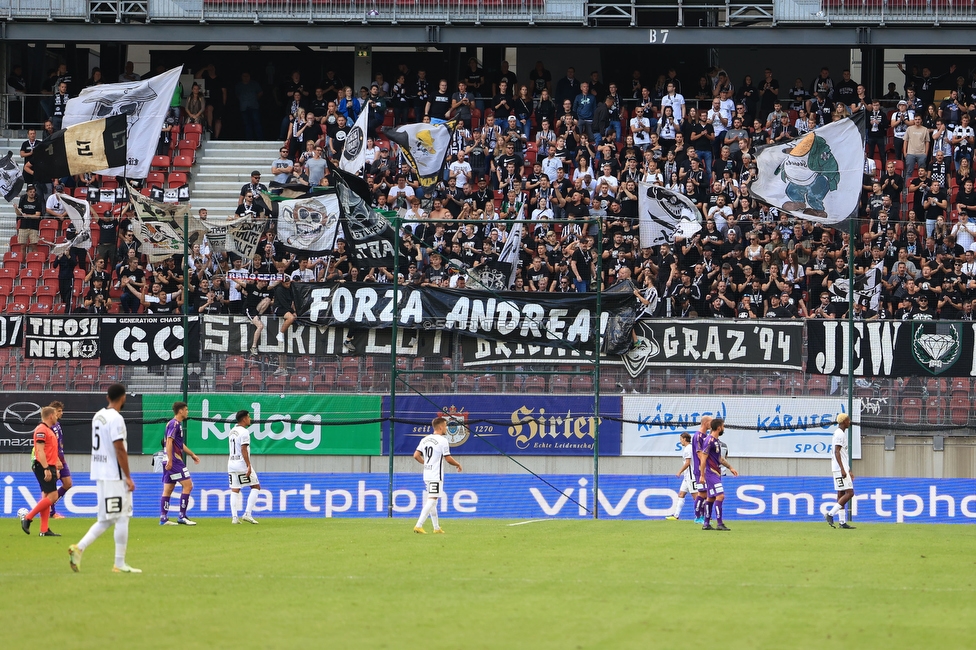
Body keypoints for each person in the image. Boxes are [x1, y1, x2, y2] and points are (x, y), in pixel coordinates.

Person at [68, 383, 139, 573]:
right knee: (123, 516)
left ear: (108, 397)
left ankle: (79, 548)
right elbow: (119, 448)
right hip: (114, 476)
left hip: (100, 473)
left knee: (106, 519)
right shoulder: (116, 419)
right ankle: (119, 563)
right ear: (123, 398)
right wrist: (128, 477)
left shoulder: (98, 416)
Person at [412, 416, 462, 534]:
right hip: (435, 474)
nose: (446, 428)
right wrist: (458, 464)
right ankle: (418, 525)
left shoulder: (425, 439)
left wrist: (425, 463)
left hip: (427, 474)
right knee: (432, 499)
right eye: (445, 426)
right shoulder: (442, 440)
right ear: (440, 427)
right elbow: (448, 458)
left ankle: (436, 528)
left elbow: (416, 455)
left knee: (433, 501)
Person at [19, 406, 63, 536]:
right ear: (50, 416)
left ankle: (44, 530)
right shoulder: (41, 429)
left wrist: (55, 466)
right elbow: (39, 450)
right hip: (42, 466)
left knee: (46, 496)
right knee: (53, 496)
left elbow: (50, 451)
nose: (57, 417)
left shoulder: (48, 430)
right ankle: (28, 518)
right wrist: (46, 469)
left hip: (49, 466)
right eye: (55, 414)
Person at [159, 401, 200, 526]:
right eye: (186, 410)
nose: (188, 412)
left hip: (169, 459)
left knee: (168, 488)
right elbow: (169, 442)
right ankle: (182, 516)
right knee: (188, 485)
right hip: (174, 460)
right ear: (180, 411)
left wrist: (192, 454)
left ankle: (163, 518)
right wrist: (171, 460)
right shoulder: (174, 423)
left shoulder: (176, 424)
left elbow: (179, 444)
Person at [698, 417, 738, 531]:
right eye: (723, 426)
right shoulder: (709, 440)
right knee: (720, 496)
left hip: (715, 473)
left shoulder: (715, 442)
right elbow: (703, 458)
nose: (724, 428)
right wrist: (702, 475)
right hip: (711, 473)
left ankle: (706, 523)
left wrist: (730, 467)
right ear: (719, 427)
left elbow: (719, 458)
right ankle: (719, 523)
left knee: (710, 498)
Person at [228, 409, 262, 525]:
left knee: (235, 489)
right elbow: (243, 449)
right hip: (241, 464)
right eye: (249, 417)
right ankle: (247, 513)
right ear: (244, 419)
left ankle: (234, 517)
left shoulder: (232, 431)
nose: (250, 419)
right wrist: (248, 465)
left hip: (231, 464)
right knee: (256, 486)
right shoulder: (244, 432)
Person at [824, 413, 856, 529]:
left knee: (841, 493)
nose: (849, 422)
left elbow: (842, 454)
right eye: (848, 420)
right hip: (839, 468)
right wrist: (843, 469)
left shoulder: (839, 433)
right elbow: (837, 452)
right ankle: (830, 513)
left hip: (839, 468)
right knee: (850, 493)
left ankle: (842, 522)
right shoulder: (839, 434)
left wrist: (848, 469)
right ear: (843, 422)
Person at [46, 401, 71, 519]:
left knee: (68, 483)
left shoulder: (57, 425)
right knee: (51, 488)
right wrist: (56, 460)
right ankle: (51, 512)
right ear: (53, 412)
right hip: (54, 460)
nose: (61, 413)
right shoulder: (49, 427)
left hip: (61, 458)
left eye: (61, 410)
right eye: (59, 411)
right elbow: (50, 446)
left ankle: (50, 505)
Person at [665, 432, 694, 521]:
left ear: (685, 439)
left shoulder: (688, 448)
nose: (680, 441)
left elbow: (688, 463)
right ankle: (676, 515)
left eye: (681, 439)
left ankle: (704, 515)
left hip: (691, 476)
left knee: (697, 497)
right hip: (687, 477)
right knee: (681, 494)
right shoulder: (690, 447)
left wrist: (679, 472)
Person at [690, 415, 712, 524]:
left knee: (706, 494)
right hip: (700, 470)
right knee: (702, 493)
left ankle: (702, 516)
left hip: (705, 469)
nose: (712, 425)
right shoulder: (698, 436)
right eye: (710, 422)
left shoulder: (705, 436)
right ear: (706, 423)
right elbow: (699, 454)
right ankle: (698, 517)